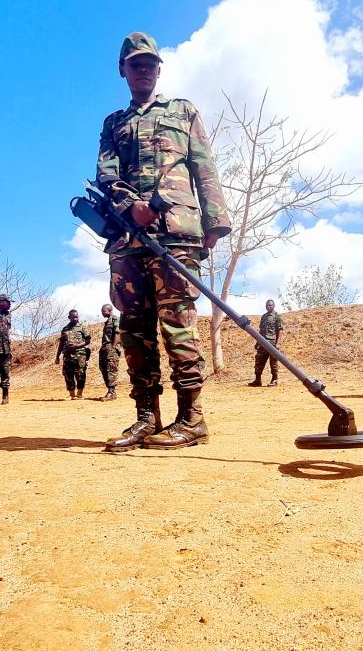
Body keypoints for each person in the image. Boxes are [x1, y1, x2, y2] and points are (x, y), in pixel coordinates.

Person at [98, 31, 232, 451]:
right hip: (127, 237)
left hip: (177, 235)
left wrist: (215, 223)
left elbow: (204, 167)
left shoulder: (183, 111)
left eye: (150, 65)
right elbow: (106, 175)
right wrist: (130, 205)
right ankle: (146, 417)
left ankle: (192, 419)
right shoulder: (113, 123)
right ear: (123, 70)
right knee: (134, 328)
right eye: (135, 64)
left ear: (159, 70)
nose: (143, 70)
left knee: (177, 323)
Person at [56, 309, 93, 399]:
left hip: (80, 355)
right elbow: (61, 343)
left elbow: (88, 341)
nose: (75, 319)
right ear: (69, 317)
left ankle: (79, 394)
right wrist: (57, 356)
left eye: (76, 317)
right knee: (68, 374)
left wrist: (77, 346)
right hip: (67, 356)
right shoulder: (65, 329)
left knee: (80, 374)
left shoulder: (82, 327)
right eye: (73, 317)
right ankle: (71, 394)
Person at [248, 299, 285, 387]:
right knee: (259, 361)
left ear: (274, 306)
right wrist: (257, 342)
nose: (269, 306)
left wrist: (278, 343)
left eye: (271, 305)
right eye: (267, 305)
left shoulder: (277, 316)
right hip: (262, 343)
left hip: (272, 343)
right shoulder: (264, 317)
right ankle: (258, 380)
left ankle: (274, 380)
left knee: (273, 362)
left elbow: (280, 330)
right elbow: (261, 331)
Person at [98, 303, 121, 401]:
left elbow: (117, 333)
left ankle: (111, 392)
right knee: (103, 368)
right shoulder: (107, 322)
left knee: (111, 369)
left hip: (111, 347)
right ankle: (111, 391)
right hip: (105, 347)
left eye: (103, 311)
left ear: (110, 310)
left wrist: (113, 347)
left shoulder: (115, 319)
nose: (102, 313)